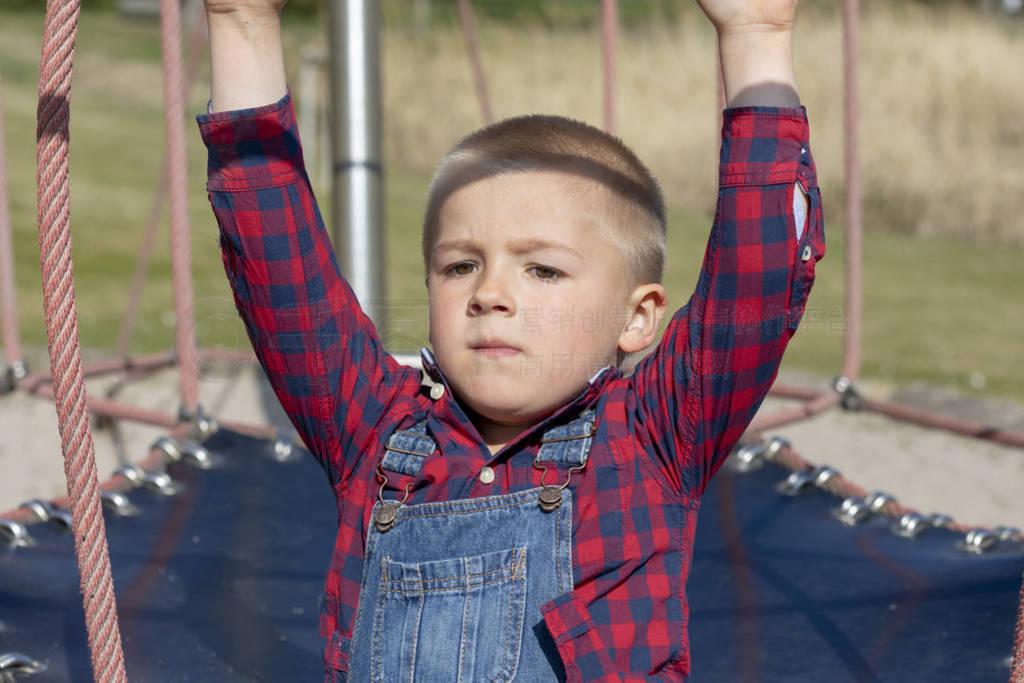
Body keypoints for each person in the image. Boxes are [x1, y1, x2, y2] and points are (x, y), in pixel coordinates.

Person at [197, 0, 824, 679]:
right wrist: (241, 23)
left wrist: (756, 36)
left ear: (637, 317)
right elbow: (276, 258)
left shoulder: (652, 439)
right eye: (461, 264)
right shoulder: (375, 431)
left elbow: (758, 274)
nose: (490, 292)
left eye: (543, 269)